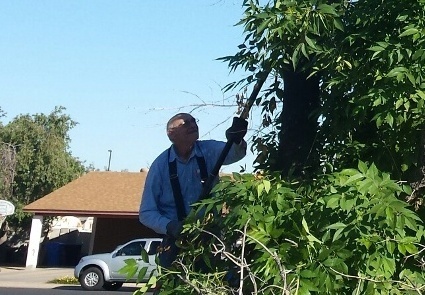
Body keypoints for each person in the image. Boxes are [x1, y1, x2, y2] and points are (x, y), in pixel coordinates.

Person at [139, 112, 248, 269]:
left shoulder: (208, 150)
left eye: (193, 121)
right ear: (171, 134)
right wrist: (170, 226)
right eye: (185, 123)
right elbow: (146, 212)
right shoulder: (160, 166)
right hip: (175, 245)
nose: (193, 125)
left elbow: (234, 153)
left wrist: (236, 139)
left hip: (210, 240)